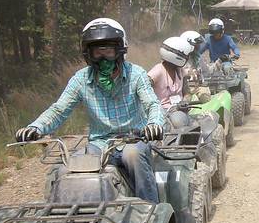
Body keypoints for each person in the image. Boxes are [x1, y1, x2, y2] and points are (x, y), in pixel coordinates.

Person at [15, 18, 165, 203]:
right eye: (97, 52)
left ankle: (150, 210)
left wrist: (154, 124)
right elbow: (59, 109)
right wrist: (36, 128)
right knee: (66, 169)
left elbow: (153, 104)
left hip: (133, 140)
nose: (103, 58)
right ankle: (65, 218)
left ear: (119, 51)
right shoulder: (80, 79)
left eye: (108, 51)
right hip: (99, 144)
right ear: (89, 54)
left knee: (133, 155)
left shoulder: (137, 74)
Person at [148, 36, 192, 109]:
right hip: (162, 112)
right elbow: (143, 89)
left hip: (180, 110)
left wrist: (185, 101)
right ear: (178, 57)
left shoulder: (181, 71)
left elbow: (187, 92)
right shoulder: (157, 71)